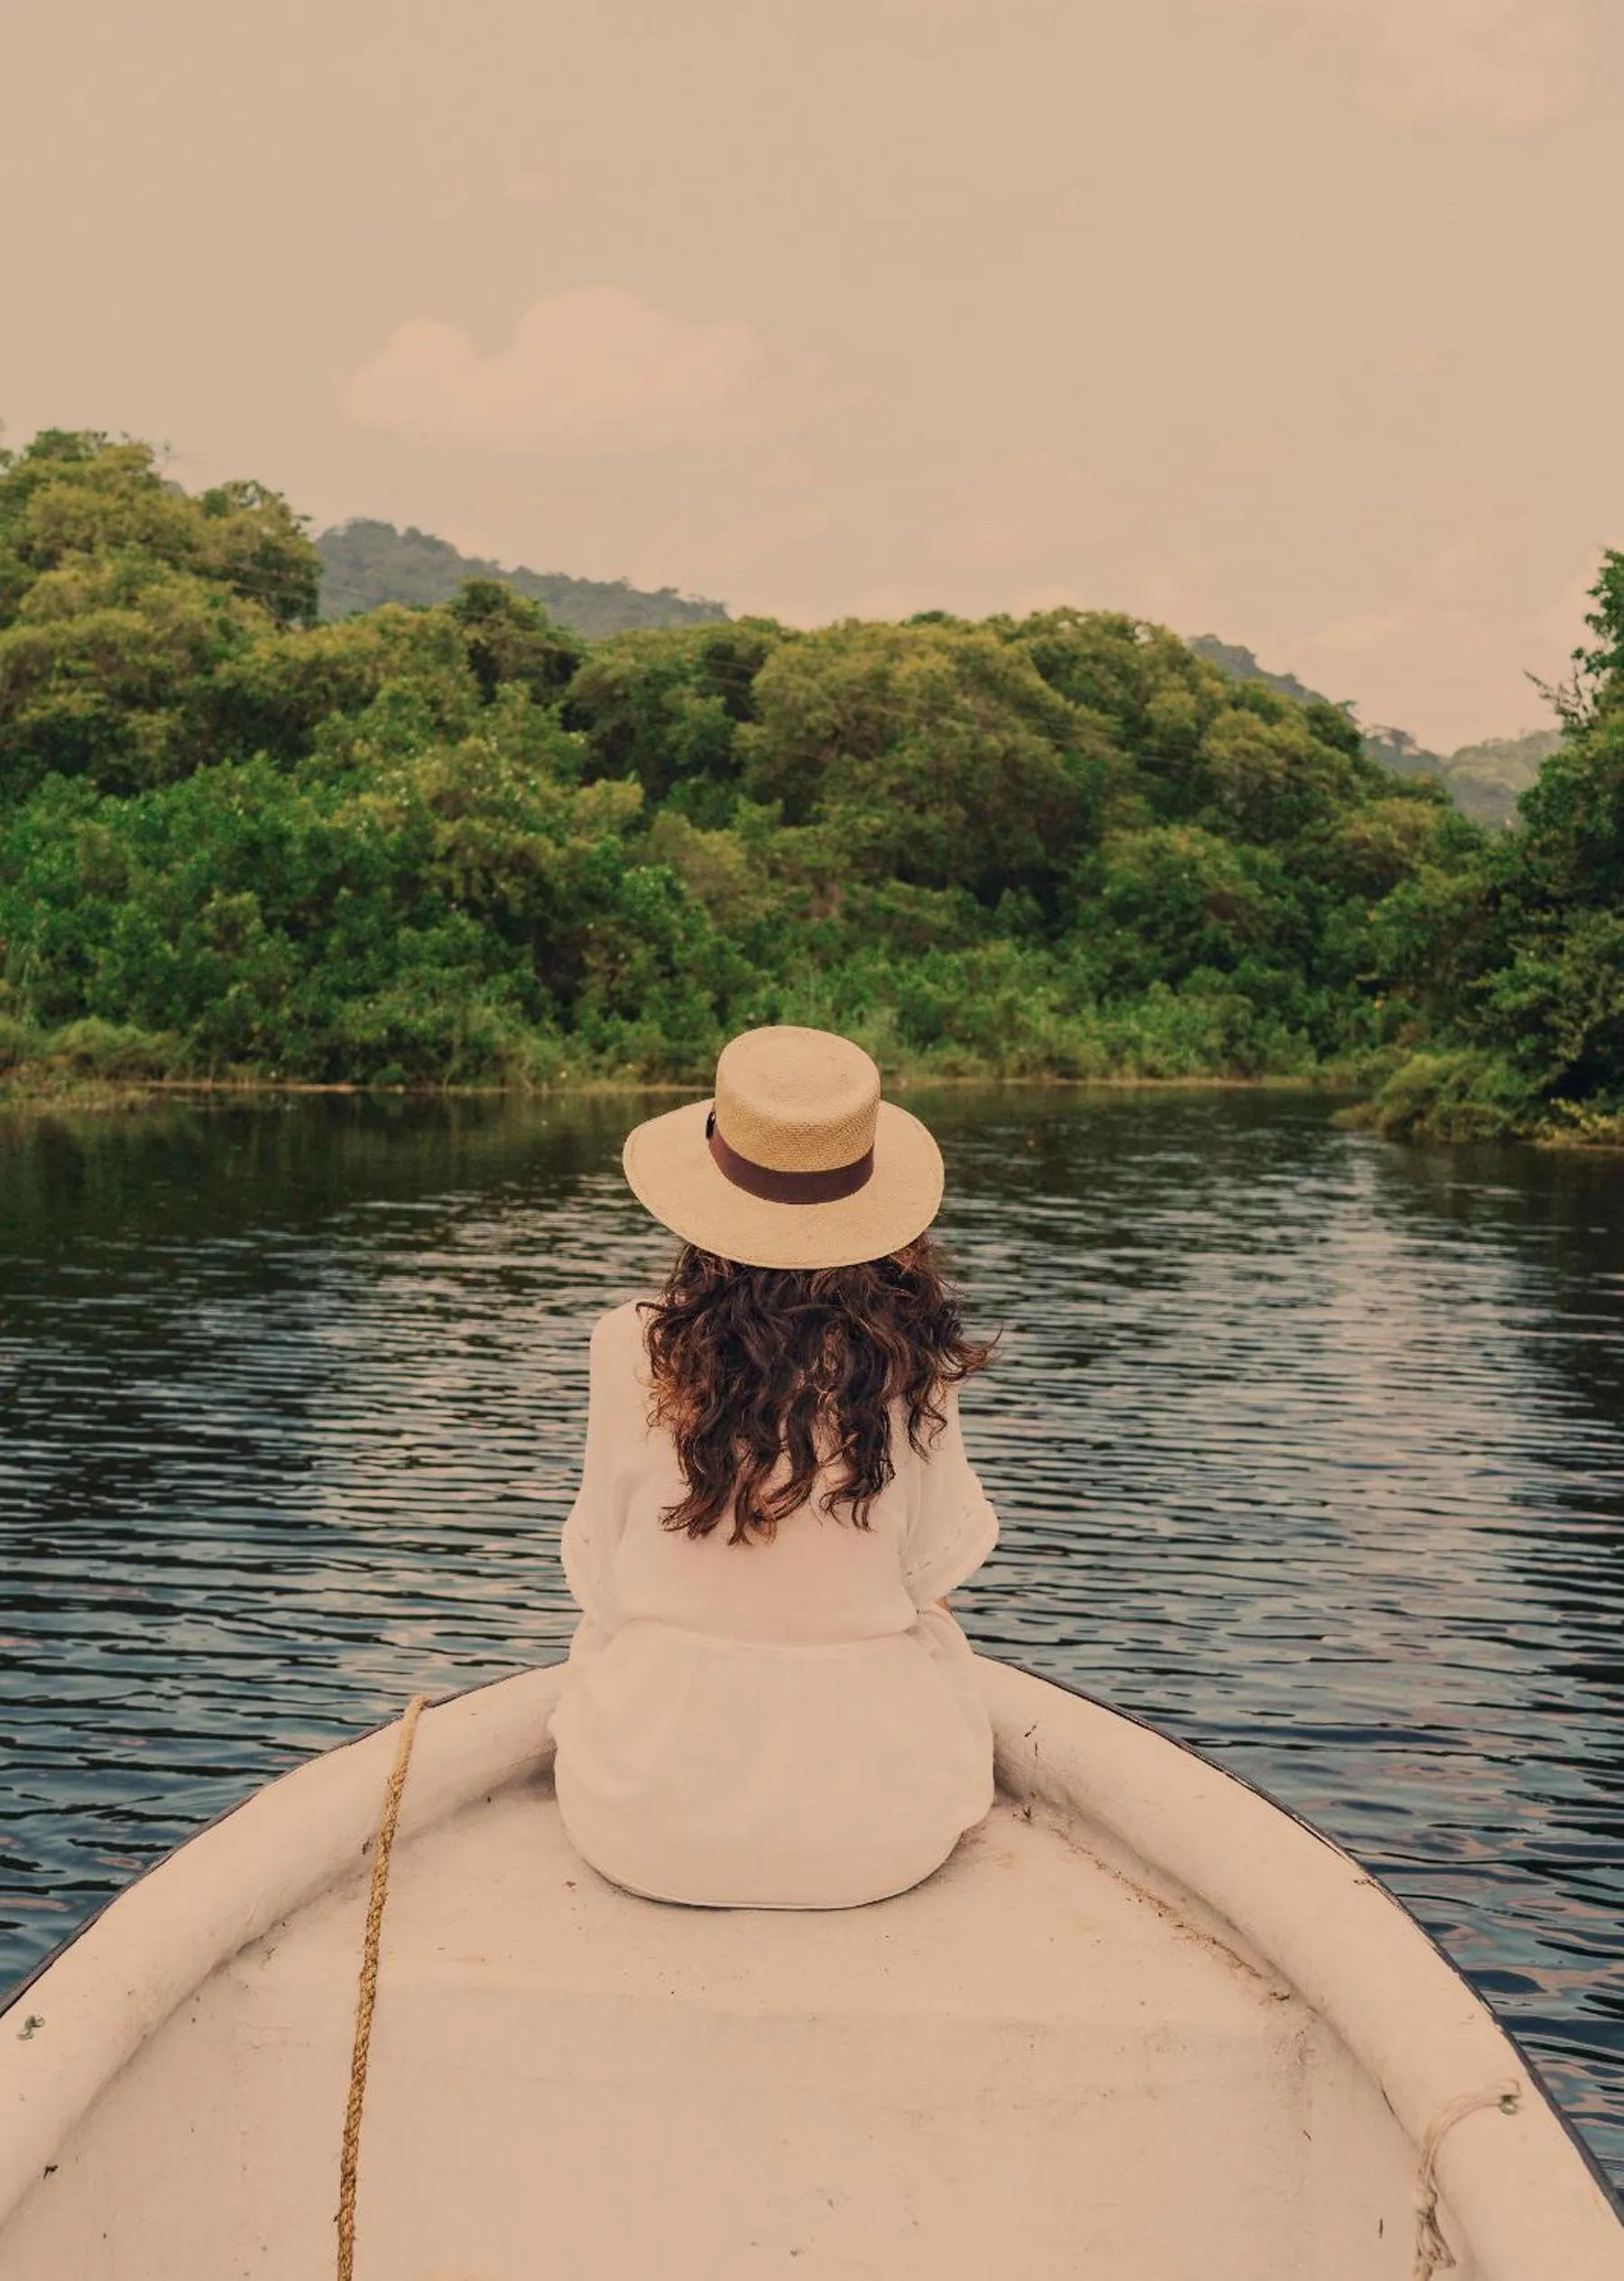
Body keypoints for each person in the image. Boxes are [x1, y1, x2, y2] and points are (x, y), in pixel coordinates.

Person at [545, 1022, 1003, 1909]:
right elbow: (930, 1582)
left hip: (645, 1827)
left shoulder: (625, 1346)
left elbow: (602, 1583)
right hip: (879, 1837)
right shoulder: (914, 1363)